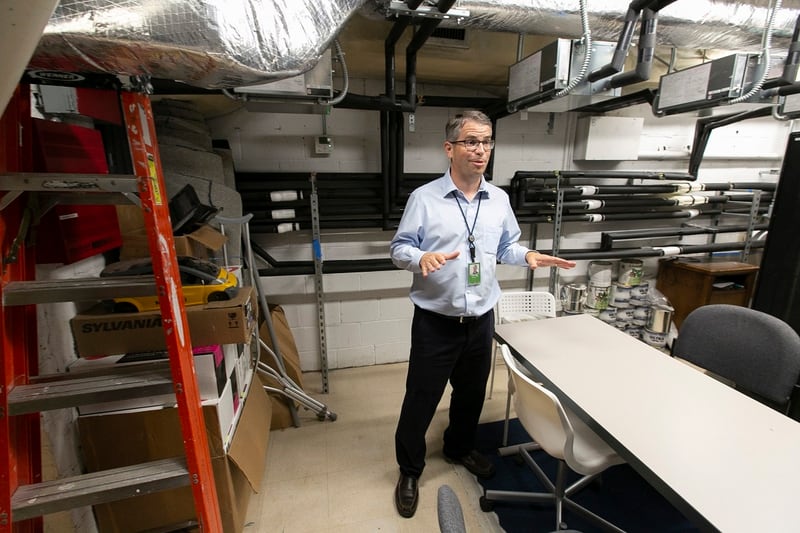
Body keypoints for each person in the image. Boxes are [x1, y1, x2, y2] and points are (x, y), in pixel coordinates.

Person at [389, 110, 576, 518]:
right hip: (436, 322)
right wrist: (420, 257)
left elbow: (505, 247)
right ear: (449, 148)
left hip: (480, 320)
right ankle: (409, 469)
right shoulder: (425, 198)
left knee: (471, 395)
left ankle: (459, 449)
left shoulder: (499, 200)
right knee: (421, 399)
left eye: (487, 141)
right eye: (471, 142)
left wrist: (527, 255)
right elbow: (399, 248)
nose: (481, 150)